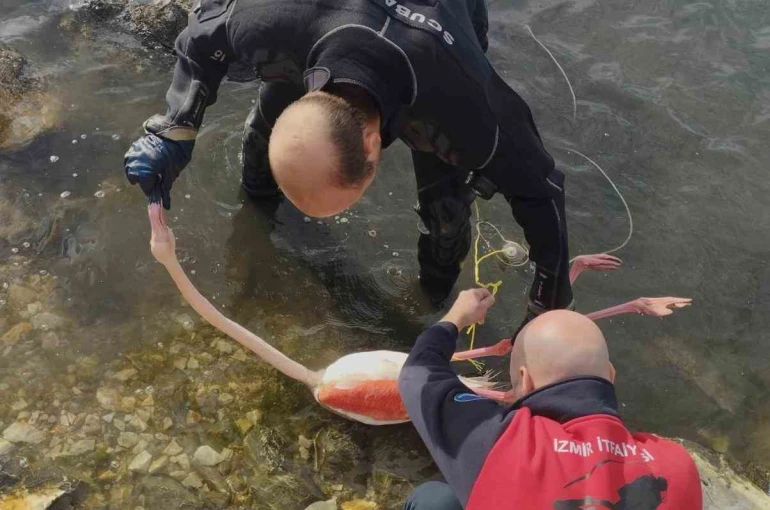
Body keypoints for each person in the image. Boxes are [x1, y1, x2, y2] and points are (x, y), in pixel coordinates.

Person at [124, 0, 574, 321]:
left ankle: (433, 295)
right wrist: (174, 128)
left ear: (374, 146)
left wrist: (548, 299)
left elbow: (543, 190)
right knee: (263, 126)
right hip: (317, 21)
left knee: (445, 207)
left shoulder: (468, 111)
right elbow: (200, 39)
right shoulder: (267, 19)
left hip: (438, 36)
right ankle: (258, 197)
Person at [398, 288, 703, 509]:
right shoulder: (678, 465)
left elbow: (416, 374)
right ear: (610, 375)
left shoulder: (502, 443)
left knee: (431, 501)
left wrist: (455, 318)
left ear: (526, 380)